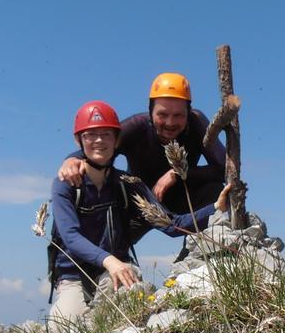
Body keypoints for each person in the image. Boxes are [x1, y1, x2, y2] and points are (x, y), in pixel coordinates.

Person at [47, 100, 226, 328]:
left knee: (122, 323)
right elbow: (70, 237)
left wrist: (216, 208)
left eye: (106, 134)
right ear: (79, 140)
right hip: (74, 275)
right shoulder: (66, 185)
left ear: (117, 139)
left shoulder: (128, 184)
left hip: (119, 272)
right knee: (63, 330)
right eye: (91, 135)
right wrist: (111, 261)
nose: (99, 140)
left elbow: (172, 225)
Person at [56, 73, 227, 240]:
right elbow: (101, 149)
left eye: (178, 115)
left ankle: (197, 253)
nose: (170, 123)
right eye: (162, 115)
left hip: (183, 199)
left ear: (188, 114)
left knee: (217, 190)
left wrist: (177, 173)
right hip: (140, 203)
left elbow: (223, 169)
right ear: (150, 112)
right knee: (111, 249)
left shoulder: (196, 123)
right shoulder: (136, 127)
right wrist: (72, 159)